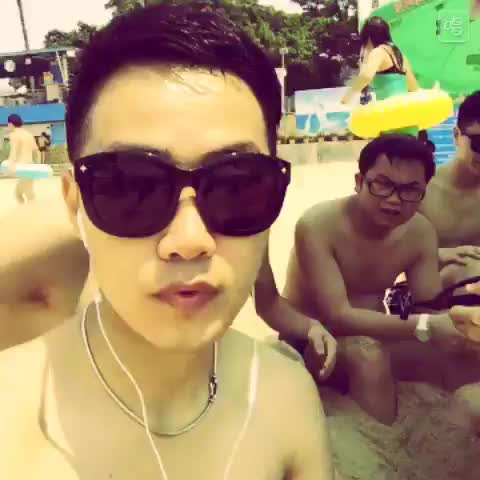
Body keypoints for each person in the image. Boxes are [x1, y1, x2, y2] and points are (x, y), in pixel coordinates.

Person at [0, 5, 335, 478]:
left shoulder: (287, 399)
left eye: (237, 185)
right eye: (131, 187)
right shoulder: (11, 419)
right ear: (75, 204)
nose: (190, 240)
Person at [282, 133, 473, 425]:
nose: (394, 200)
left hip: (377, 333)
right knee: (368, 358)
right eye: (383, 185)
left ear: (423, 193)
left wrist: (460, 319)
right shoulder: (318, 225)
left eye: (410, 190)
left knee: (461, 349)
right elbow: (337, 316)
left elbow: (428, 308)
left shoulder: (419, 232)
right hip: (312, 340)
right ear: (359, 181)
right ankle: (382, 443)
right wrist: (428, 325)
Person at [419, 91, 480, 288]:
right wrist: (437, 255)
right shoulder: (421, 190)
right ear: (456, 136)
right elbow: (383, 255)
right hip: (429, 298)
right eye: (479, 144)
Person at [340, 16, 420, 136]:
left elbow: (365, 77)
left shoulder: (378, 52)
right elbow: (414, 88)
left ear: (369, 37)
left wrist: (347, 97)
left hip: (390, 118)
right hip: (408, 119)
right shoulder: (400, 56)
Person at [6, 113, 39, 203]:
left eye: (8, 124)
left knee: (24, 193)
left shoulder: (14, 135)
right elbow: (36, 151)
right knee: (26, 192)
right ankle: (28, 209)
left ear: (11, 124)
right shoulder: (29, 134)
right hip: (30, 166)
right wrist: (37, 165)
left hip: (22, 167)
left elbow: (13, 151)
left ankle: (33, 210)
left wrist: (10, 165)